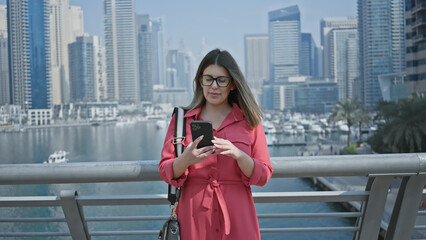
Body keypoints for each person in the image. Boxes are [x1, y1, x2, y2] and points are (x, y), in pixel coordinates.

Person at [159, 49, 273, 240]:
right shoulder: (181, 120)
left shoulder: (250, 121)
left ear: (233, 84)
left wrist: (239, 155)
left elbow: (264, 175)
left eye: (221, 80)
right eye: (208, 79)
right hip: (193, 217)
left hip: (238, 216)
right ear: (200, 81)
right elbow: (165, 170)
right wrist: (186, 159)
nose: (214, 86)